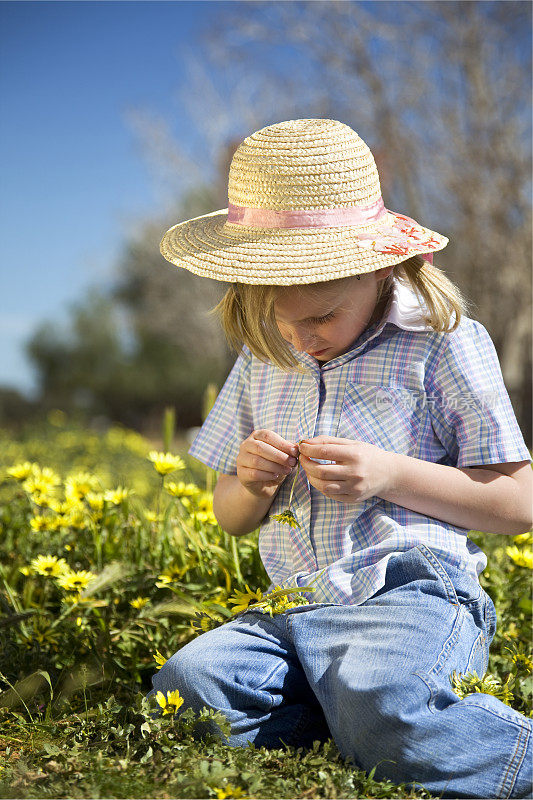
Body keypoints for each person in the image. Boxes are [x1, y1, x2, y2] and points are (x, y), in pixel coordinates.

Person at [153, 119, 533, 798]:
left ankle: (404, 731)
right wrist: (249, 482)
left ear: (382, 267)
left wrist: (389, 475)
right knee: (191, 687)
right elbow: (230, 515)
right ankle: (355, 724)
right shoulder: (263, 360)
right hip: (295, 609)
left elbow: (516, 503)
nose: (301, 337)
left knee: (387, 699)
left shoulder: (442, 344)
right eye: (280, 318)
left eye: (322, 316)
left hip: (407, 592)